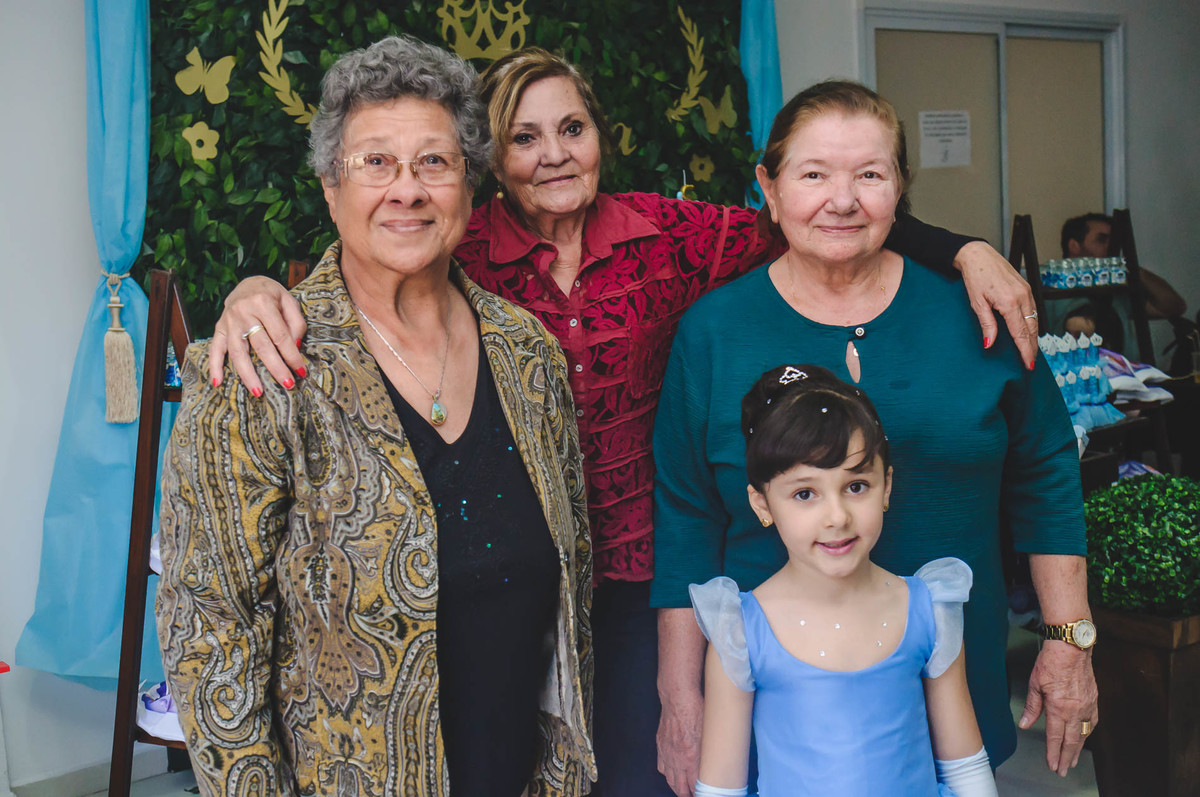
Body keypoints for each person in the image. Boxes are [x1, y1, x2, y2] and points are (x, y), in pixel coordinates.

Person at [206, 48, 1042, 796]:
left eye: (572, 127)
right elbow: (370, 254)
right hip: (510, 585)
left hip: (643, 574)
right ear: (492, 161)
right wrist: (251, 292)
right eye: (525, 137)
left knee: (635, 771)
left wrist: (960, 247)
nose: (554, 153)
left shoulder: (674, 236)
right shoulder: (451, 246)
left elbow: (825, 213)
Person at [155, 36, 594, 797]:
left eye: (434, 161)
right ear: (331, 187)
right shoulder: (266, 367)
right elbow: (210, 624)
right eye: (375, 163)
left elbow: (570, 583)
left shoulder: (529, 355)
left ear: (467, 184)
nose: (407, 189)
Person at [652, 80, 1097, 797]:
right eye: (813, 174)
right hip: (779, 713)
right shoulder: (713, 332)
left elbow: (1046, 468)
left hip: (955, 679)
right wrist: (681, 696)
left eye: (869, 174)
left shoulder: (979, 314)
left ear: (900, 188)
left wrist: (1067, 639)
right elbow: (684, 516)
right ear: (768, 187)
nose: (843, 199)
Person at [691, 364, 997, 797]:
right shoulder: (740, 631)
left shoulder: (929, 609)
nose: (837, 517)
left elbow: (965, 767)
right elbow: (721, 789)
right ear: (762, 504)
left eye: (856, 486)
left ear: (886, 486)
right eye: (804, 494)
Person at [1060, 212, 1187, 352]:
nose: (1110, 247)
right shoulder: (1047, 288)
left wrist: (1132, 269)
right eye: (1101, 240)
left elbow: (1173, 307)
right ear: (1074, 246)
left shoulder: (1117, 290)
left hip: (1123, 371)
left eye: (1113, 241)